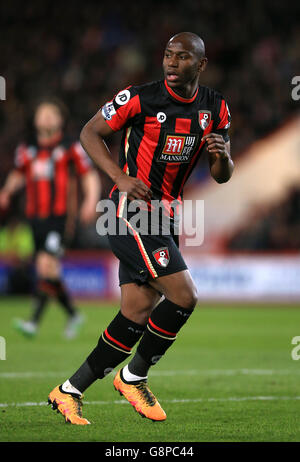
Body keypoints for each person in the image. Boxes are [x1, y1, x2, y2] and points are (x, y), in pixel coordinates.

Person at [48, 32, 234, 424]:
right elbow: (89, 132)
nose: (171, 61)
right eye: (167, 54)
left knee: (136, 312)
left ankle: (68, 391)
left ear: (200, 65)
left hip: (167, 216)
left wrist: (224, 157)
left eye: (182, 57)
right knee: (184, 296)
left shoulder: (215, 108)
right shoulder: (139, 97)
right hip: (131, 210)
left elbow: (221, 175)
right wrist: (121, 177)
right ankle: (134, 377)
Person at [0, 98, 101, 339]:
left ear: (60, 119)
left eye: (50, 113)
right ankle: (73, 314)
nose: (45, 117)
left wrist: (91, 200)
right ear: (35, 119)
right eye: (41, 113)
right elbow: (18, 174)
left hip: (61, 217)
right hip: (35, 218)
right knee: (49, 271)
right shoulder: (27, 149)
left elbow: (89, 176)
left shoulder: (70, 147)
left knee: (46, 264)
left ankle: (33, 322)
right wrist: (6, 191)